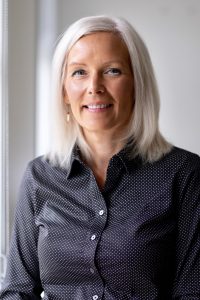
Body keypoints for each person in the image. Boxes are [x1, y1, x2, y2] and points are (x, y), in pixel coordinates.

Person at [0, 15, 200, 300]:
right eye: (79, 72)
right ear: (64, 91)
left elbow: (192, 291)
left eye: (112, 71)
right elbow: (17, 291)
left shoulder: (184, 174)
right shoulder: (38, 177)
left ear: (137, 84)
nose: (94, 86)